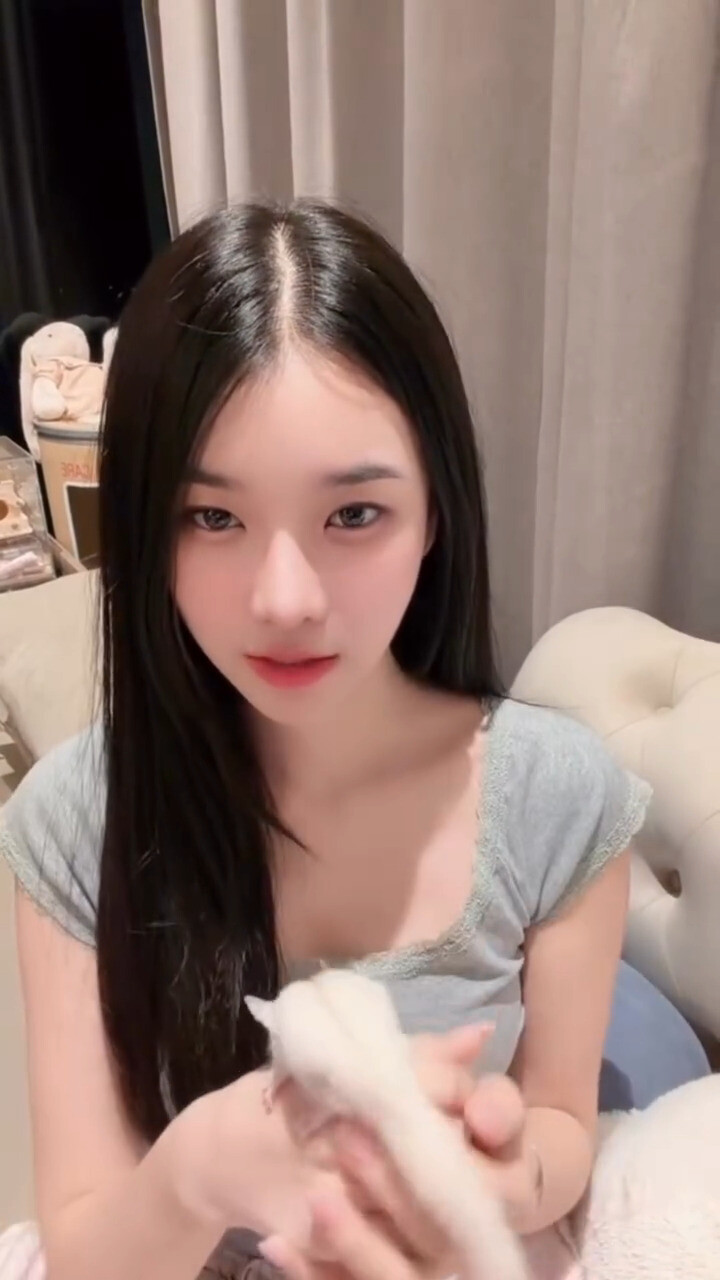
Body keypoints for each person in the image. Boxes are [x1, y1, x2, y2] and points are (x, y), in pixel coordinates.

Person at [0, 200, 709, 1280]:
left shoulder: (558, 798)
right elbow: (86, 1247)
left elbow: (562, 1126)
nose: (285, 600)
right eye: (213, 517)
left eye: (353, 515)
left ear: (434, 513)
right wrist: (201, 1170)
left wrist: (497, 1172)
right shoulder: (72, 823)